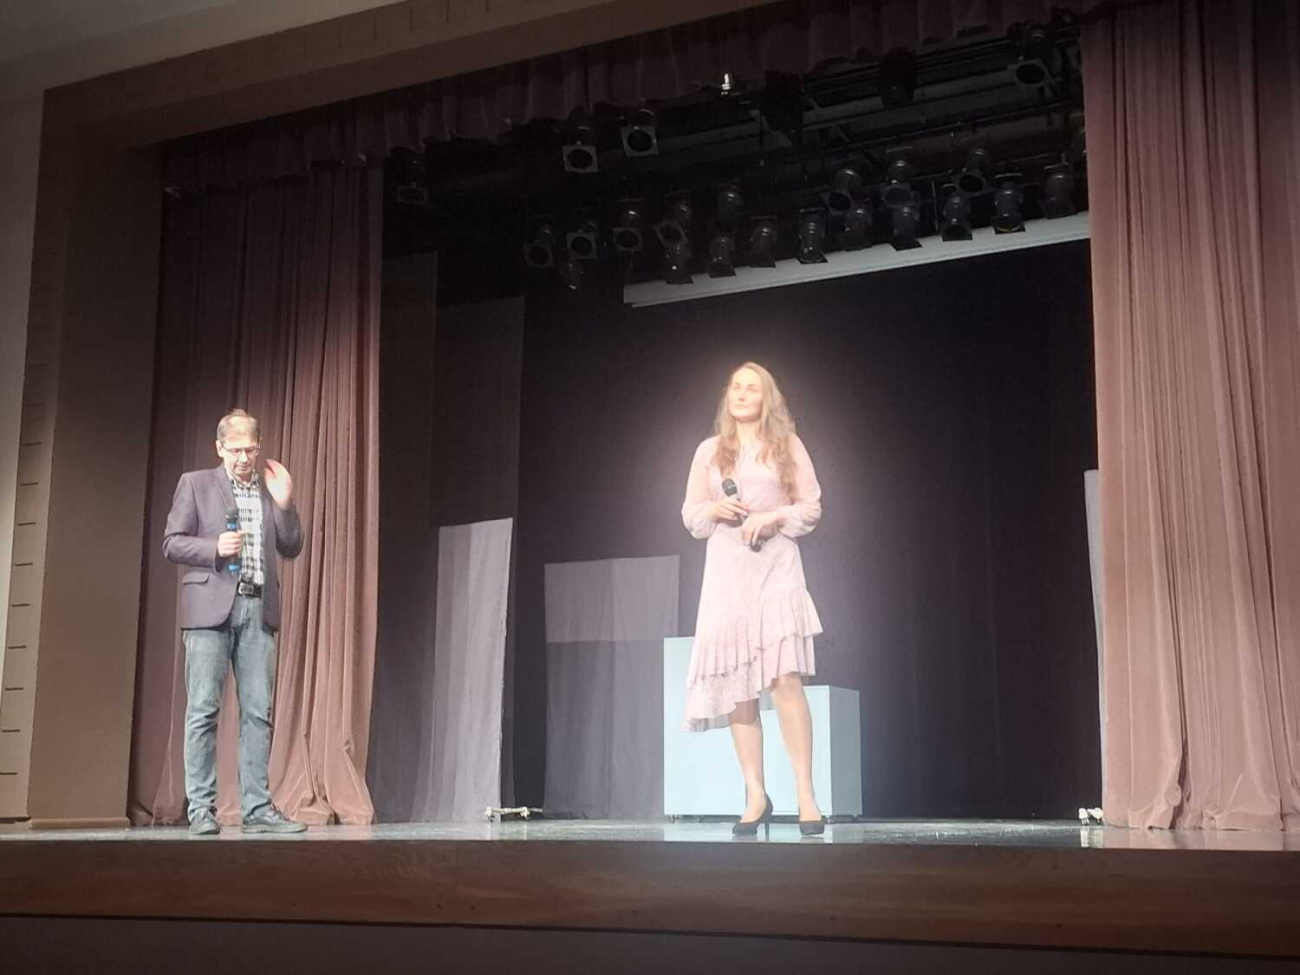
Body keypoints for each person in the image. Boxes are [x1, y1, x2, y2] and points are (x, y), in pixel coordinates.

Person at [681, 362, 826, 836]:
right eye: (736, 387)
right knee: (738, 688)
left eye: (752, 388)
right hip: (727, 575)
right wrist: (714, 507)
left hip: (776, 568)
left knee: (785, 679)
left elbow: (810, 507)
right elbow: (691, 517)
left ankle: (806, 793)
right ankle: (755, 794)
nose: (742, 394)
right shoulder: (708, 451)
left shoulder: (787, 445)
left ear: (767, 399)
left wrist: (773, 517)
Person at [163, 409, 307, 835]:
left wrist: (285, 504)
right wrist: (214, 548)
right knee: (203, 711)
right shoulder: (196, 484)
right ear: (220, 448)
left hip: (257, 610)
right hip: (209, 610)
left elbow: (291, 546)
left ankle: (258, 810)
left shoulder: (266, 490)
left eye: (250, 449)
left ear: (257, 448)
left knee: (258, 713)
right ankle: (201, 811)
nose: (243, 458)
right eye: (235, 449)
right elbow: (172, 543)